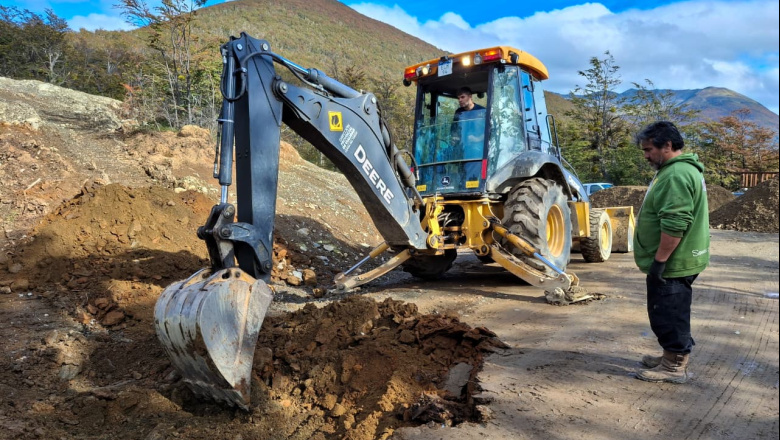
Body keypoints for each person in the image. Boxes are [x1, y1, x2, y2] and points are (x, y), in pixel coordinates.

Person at [633, 120, 710, 384]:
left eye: (648, 149)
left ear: (667, 145)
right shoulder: (677, 170)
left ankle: (675, 365)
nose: (645, 156)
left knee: (669, 312)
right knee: (669, 309)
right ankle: (670, 355)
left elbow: (676, 223)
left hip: (673, 262)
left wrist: (660, 262)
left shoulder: (676, 174)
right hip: (678, 259)